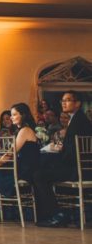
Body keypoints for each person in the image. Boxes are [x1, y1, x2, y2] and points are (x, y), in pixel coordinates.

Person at [34, 91, 92, 227]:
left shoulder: (79, 121)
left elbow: (73, 153)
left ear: (77, 103)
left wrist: (60, 151)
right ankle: (61, 213)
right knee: (43, 171)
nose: (64, 103)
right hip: (80, 167)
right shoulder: (78, 119)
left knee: (39, 175)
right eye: (62, 100)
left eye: (68, 100)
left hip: (78, 169)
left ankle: (57, 215)